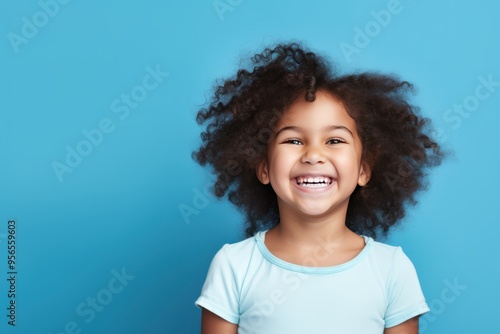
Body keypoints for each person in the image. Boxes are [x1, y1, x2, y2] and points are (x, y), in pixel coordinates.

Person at [193, 42, 443, 334]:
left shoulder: (392, 270)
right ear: (263, 167)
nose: (313, 155)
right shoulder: (234, 266)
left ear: (363, 169)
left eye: (335, 141)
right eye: (293, 140)